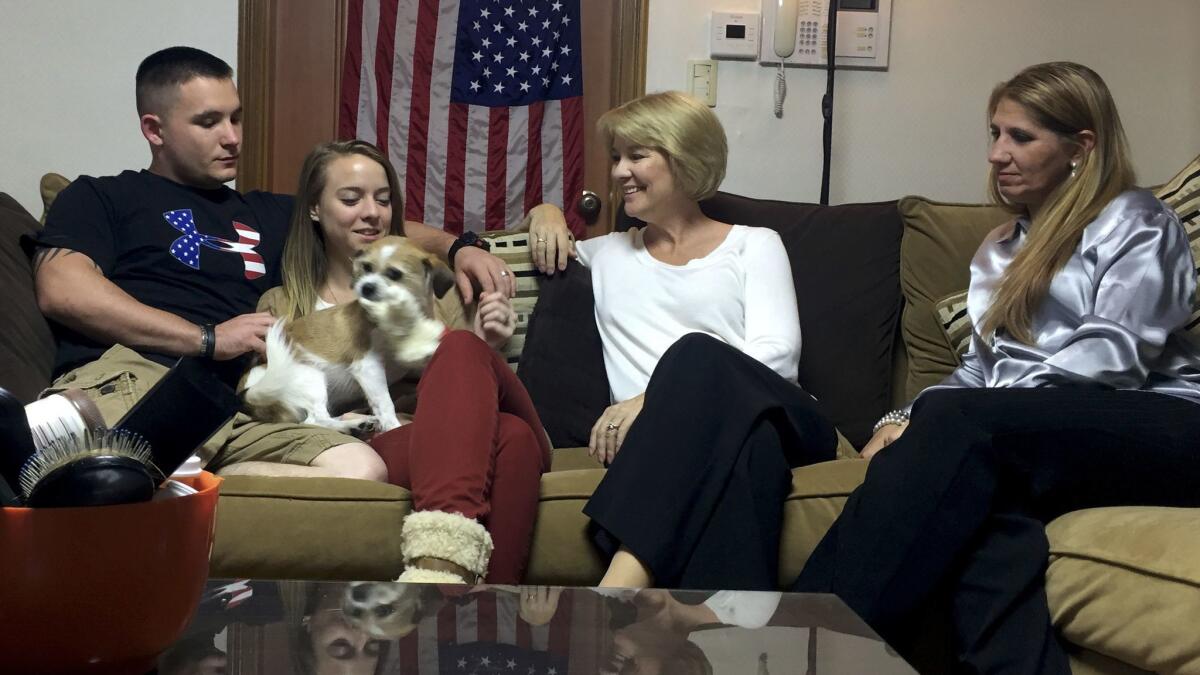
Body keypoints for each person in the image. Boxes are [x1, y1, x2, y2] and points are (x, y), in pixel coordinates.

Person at [790, 61, 1200, 674]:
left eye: (1020, 137)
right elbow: (983, 368)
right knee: (981, 505)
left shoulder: (1137, 221)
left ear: (1081, 149)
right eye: (994, 134)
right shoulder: (1001, 248)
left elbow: (1115, 356)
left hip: (1161, 424)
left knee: (960, 432)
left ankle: (796, 643)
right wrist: (907, 414)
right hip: (1038, 439)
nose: (997, 154)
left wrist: (957, 417)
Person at [31, 46, 515, 479]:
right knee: (113, 454)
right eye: (209, 122)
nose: (232, 137)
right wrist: (209, 338)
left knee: (360, 469)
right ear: (154, 129)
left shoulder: (268, 212)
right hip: (143, 371)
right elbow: (63, 289)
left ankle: (193, 474)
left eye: (236, 118)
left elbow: (371, 225)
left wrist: (459, 246)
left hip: (234, 405)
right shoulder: (104, 195)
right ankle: (84, 448)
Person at [530, 91, 837, 591]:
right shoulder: (605, 255)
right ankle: (717, 635)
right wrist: (543, 212)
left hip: (782, 416)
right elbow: (512, 251)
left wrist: (653, 401)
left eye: (637, 155)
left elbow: (777, 357)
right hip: (718, 443)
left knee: (695, 353)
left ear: (684, 157)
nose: (618, 172)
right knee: (750, 453)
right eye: (615, 158)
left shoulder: (753, 244)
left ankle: (616, 587)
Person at [260, 139, 550, 583]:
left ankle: (442, 583)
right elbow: (279, 410)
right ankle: (491, 611)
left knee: (463, 351)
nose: (372, 212)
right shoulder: (282, 305)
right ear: (315, 209)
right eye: (351, 198)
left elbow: (464, 389)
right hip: (386, 442)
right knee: (514, 439)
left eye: (383, 198)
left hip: (455, 428)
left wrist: (486, 341)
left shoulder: (439, 291)